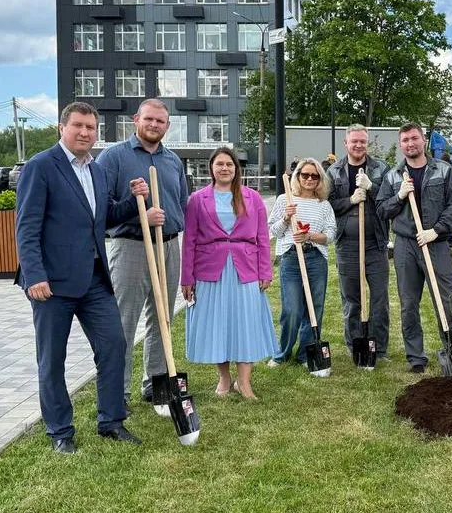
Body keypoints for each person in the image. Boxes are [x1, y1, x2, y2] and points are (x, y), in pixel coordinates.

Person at [15, 102, 148, 454]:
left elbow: (102, 218)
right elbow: (26, 228)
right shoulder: (41, 166)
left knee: (114, 344)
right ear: (62, 128)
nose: (86, 133)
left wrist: (135, 202)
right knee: (52, 358)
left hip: (93, 280)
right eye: (78, 126)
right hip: (51, 284)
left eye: (91, 127)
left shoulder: (97, 170)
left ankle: (111, 421)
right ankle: (61, 432)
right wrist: (34, 276)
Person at [96, 99, 189, 408]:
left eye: (160, 121)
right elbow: (100, 209)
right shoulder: (113, 157)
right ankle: (117, 392)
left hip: (169, 244)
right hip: (132, 245)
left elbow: (181, 203)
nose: (154, 125)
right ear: (136, 119)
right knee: (124, 320)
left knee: (162, 317)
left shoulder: (173, 161)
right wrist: (140, 217)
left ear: (167, 126)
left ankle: (156, 384)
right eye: (148, 119)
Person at [181, 147, 276, 400]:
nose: (225, 168)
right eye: (219, 164)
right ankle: (224, 378)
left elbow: (263, 237)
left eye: (229, 164)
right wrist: (186, 278)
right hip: (209, 269)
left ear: (237, 169)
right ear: (212, 168)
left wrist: (265, 270)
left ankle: (243, 382)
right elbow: (189, 240)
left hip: (245, 268)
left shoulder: (253, 198)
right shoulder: (197, 200)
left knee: (246, 322)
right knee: (217, 324)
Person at [377, 122, 452, 374]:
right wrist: (399, 196)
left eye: (414, 138)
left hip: (435, 243)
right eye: (405, 140)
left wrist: (436, 230)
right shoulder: (393, 176)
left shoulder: (444, 170)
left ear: (423, 140)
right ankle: (415, 357)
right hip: (406, 244)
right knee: (408, 303)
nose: (410, 143)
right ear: (401, 144)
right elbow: (382, 209)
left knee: (447, 301)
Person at [326, 124, 391, 359]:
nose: (358, 145)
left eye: (362, 141)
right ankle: (355, 346)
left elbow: (389, 201)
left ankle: (379, 348)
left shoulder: (381, 168)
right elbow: (327, 206)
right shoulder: (334, 172)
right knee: (352, 299)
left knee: (380, 299)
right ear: (346, 143)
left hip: (375, 243)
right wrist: (351, 199)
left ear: (367, 143)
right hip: (347, 245)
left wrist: (371, 188)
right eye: (354, 141)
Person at [267, 159, 337, 365]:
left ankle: (306, 354)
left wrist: (310, 237)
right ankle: (283, 353)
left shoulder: (324, 205)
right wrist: (287, 218)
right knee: (292, 309)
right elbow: (273, 231)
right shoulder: (284, 200)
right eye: (304, 175)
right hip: (291, 258)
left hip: (316, 258)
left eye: (314, 176)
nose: (309, 179)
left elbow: (331, 234)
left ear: (320, 180)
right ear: (297, 176)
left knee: (314, 308)